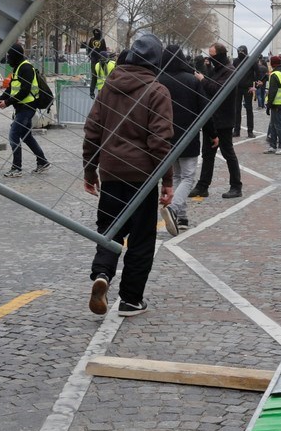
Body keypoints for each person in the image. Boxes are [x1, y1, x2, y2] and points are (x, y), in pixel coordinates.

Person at [85, 33, 174, 317]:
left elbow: (92, 131)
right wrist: (167, 180)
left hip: (111, 172)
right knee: (141, 238)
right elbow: (160, 142)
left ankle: (102, 273)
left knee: (109, 230)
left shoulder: (108, 88)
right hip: (142, 176)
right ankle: (131, 299)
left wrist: (90, 170)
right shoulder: (157, 91)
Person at [157, 45, 206, 234]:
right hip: (188, 134)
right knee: (187, 177)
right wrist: (212, 133)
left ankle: (182, 217)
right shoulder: (191, 80)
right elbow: (203, 108)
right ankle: (173, 208)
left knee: (176, 176)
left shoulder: (159, 80)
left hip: (165, 135)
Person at [189, 43, 244, 200]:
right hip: (212, 118)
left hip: (224, 119)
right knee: (207, 154)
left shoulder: (230, 71)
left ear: (220, 55)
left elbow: (217, 90)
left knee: (228, 153)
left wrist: (202, 80)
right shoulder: (217, 69)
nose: (210, 59)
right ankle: (203, 186)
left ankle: (236, 186)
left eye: (212, 56)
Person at [0, 45, 50, 178]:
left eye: (10, 56)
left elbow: (24, 91)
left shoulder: (26, 68)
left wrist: (7, 102)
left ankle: (17, 168)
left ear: (15, 56)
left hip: (27, 107)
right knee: (26, 136)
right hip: (21, 108)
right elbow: (11, 89)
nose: (8, 59)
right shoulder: (18, 67)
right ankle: (43, 162)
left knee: (14, 134)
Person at [232, 44, 255, 138]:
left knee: (249, 109)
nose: (240, 53)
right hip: (238, 87)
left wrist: (255, 86)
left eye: (242, 51)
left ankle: (250, 131)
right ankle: (236, 130)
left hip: (248, 88)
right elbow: (232, 72)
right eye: (239, 51)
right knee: (237, 110)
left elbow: (258, 72)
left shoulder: (251, 60)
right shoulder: (236, 61)